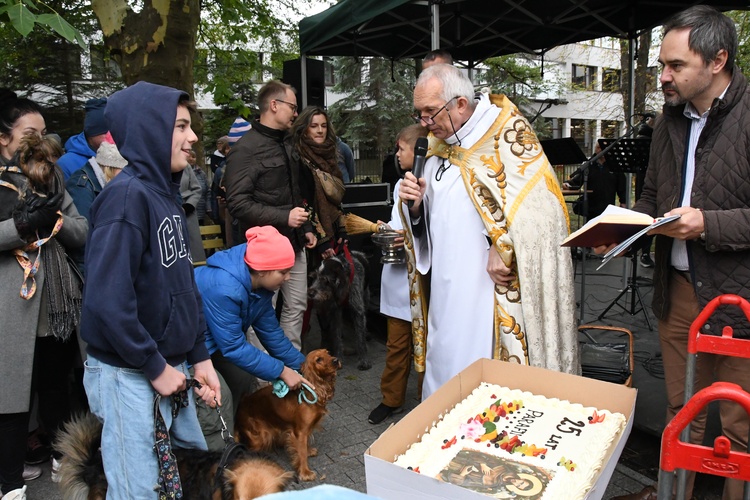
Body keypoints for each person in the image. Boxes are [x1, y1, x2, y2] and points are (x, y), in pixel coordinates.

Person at [599, 7, 750, 500]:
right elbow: (652, 201)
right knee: (680, 412)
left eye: (676, 65)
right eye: (662, 64)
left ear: (718, 60)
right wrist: (623, 228)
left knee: (738, 425)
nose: (663, 76)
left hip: (737, 301)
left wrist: (708, 224)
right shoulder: (668, 121)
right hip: (678, 294)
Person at [399, 64, 579, 400]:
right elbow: (432, 226)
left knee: (485, 383)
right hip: (445, 291)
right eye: (418, 113)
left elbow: (544, 210)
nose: (424, 123)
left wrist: (505, 244)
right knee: (446, 372)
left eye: (429, 112)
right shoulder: (436, 148)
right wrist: (416, 207)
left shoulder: (507, 137)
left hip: (490, 293)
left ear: (460, 105)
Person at [80, 81, 221, 499]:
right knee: (141, 490)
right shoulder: (125, 200)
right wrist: (154, 367)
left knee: (187, 475)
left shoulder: (166, 196)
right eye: (180, 127)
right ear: (148, 131)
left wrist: (199, 356)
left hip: (170, 365)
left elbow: (183, 286)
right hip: (129, 374)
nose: (193, 136)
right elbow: (106, 300)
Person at [0, 89, 89, 500]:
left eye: (43, 132)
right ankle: (9, 480)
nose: (39, 140)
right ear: (4, 137)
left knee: (55, 380)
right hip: (11, 303)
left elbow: (81, 229)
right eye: (29, 132)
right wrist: (21, 227)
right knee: (10, 394)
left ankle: (58, 454)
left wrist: (54, 217)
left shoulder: (51, 176)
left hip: (55, 300)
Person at [194, 226, 312, 449]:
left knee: (241, 376)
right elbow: (234, 347)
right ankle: (216, 455)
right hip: (188, 349)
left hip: (213, 343)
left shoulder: (258, 287)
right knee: (221, 396)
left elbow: (272, 334)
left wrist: (304, 367)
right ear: (262, 270)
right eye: (283, 271)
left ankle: (234, 432)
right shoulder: (224, 287)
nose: (288, 278)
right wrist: (282, 371)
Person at [224, 80, 316, 350]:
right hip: (263, 250)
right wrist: (284, 217)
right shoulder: (245, 149)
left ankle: (290, 369)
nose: (296, 113)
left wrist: (306, 226)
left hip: (294, 242)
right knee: (262, 312)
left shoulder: (288, 143)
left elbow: (295, 192)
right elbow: (237, 204)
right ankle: (264, 380)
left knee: (297, 305)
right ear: (274, 105)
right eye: (293, 107)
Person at [368, 124, 428, 425]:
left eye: (401, 149)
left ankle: (426, 400)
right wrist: (390, 231)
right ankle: (391, 399)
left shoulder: (431, 183)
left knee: (425, 345)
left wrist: (402, 233)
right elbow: (398, 219)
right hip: (396, 275)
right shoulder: (400, 184)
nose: (397, 154)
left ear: (418, 150)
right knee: (396, 344)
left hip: (421, 277)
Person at [290, 106, 348, 260]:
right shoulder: (298, 158)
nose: (320, 131)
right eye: (314, 126)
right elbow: (303, 203)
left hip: (333, 232)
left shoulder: (330, 155)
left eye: (323, 126)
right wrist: (322, 240)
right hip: (310, 238)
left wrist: (342, 228)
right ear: (304, 129)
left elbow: (335, 198)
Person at [66, 136, 127, 274]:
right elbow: (83, 244)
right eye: (126, 169)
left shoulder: (112, 185)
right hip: (91, 272)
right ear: (110, 166)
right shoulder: (82, 187)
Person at [563, 140, 626, 220]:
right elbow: (577, 181)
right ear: (595, 149)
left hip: (608, 207)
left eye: (604, 148)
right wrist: (567, 184)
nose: (601, 150)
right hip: (591, 208)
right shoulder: (589, 165)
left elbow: (621, 185)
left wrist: (623, 201)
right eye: (598, 147)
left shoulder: (614, 165)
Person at [57, 98, 108, 180]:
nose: (113, 137)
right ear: (91, 133)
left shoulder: (123, 154)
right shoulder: (66, 164)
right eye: (106, 133)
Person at [634, 118, 655, 268]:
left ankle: (644, 252)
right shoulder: (647, 139)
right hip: (645, 180)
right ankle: (644, 252)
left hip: (645, 180)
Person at [179, 152, 207, 262]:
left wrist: (188, 206)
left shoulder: (185, 166)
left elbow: (197, 189)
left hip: (187, 213)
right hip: (164, 213)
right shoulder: (156, 165)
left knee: (194, 257)